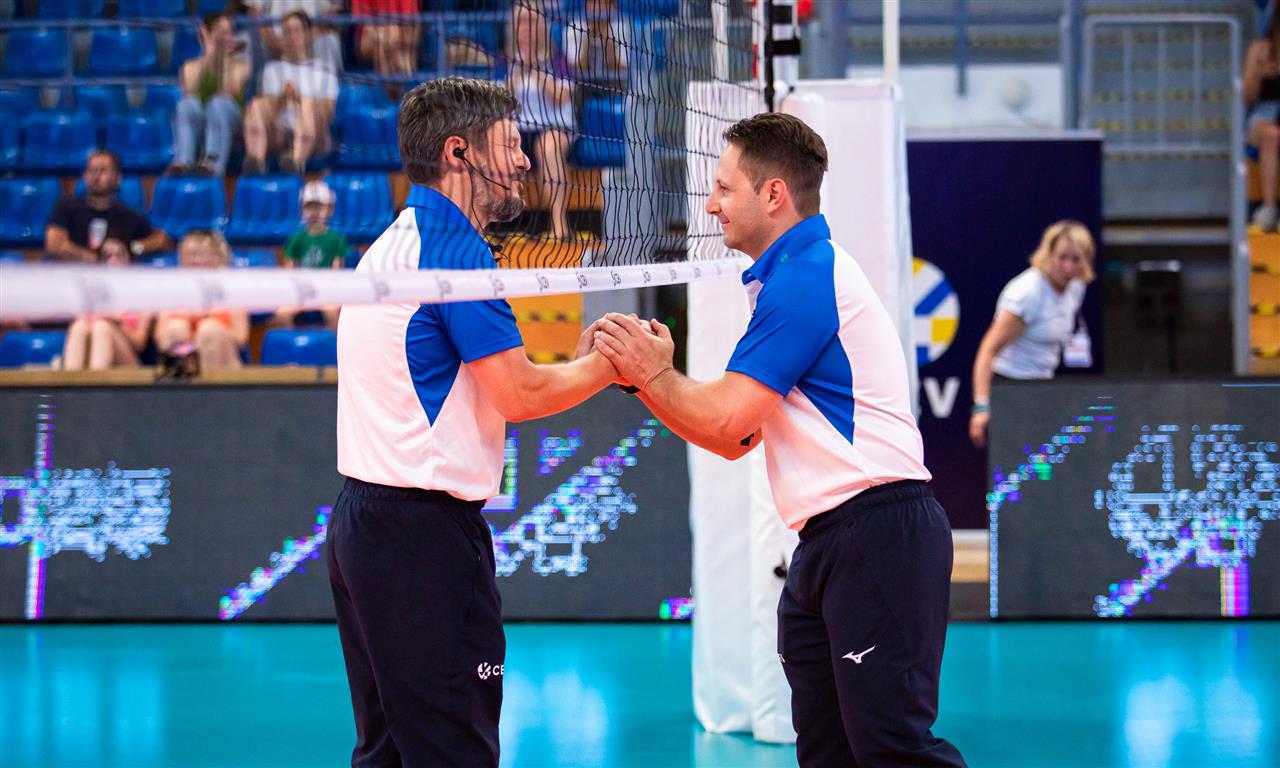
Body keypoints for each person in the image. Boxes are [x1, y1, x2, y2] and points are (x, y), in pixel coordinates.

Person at [592, 112, 968, 768]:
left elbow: (727, 420)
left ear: (773, 195)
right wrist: (646, 383)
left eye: (723, 188)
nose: (710, 205)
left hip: (876, 532)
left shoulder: (806, 277)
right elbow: (735, 439)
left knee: (894, 748)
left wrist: (652, 375)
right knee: (827, 751)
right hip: (831, 540)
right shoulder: (787, 278)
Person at [327, 76, 618, 767]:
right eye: (511, 144)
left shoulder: (399, 241)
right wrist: (613, 366)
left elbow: (482, 381)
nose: (524, 160)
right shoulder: (452, 252)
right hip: (420, 540)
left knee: (390, 752)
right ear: (459, 153)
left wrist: (579, 365)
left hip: (369, 528)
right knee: (453, 751)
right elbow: (519, 394)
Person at [969, 220, 1094, 449]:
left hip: (1042, 388)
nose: (1068, 267)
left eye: (1076, 259)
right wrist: (981, 406)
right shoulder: (1027, 294)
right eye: (1062, 258)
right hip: (1010, 389)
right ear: (1049, 255)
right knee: (1018, 463)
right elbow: (988, 350)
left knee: (1046, 462)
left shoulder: (1076, 287)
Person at [507, 2, 575, 240]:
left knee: (547, 146)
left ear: (542, 27)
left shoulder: (558, 59)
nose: (527, 28)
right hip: (517, 130)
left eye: (532, 22)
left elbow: (561, 98)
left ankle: (559, 226)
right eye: (522, 23)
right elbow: (496, 103)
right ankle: (499, 223)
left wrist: (534, 69)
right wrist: (518, 73)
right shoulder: (505, 60)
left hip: (554, 128)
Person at [243, 10, 339, 176]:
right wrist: (283, 98)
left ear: (308, 34)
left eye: (297, 30)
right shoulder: (271, 70)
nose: (292, 36)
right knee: (256, 105)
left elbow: (328, 112)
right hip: (279, 132)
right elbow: (269, 110)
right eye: (287, 31)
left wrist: (299, 100)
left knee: (307, 105)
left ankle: (296, 162)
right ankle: (256, 161)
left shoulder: (325, 71)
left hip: (316, 136)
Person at [45, 151, 170, 264]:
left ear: (118, 178)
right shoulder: (67, 206)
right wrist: (97, 260)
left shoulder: (128, 215)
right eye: (91, 170)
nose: (96, 176)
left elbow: (162, 241)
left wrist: (133, 248)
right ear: (85, 176)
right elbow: (54, 244)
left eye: (103, 170)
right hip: (70, 274)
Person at [153, 231, 249, 369]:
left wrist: (204, 329)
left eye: (202, 254)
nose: (195, 260)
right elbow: (160, 336)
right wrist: (190, 337)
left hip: (224, 360)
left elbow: (240, 338)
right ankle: (178, 380)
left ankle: (211, 382)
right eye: (190, 255)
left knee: (209, 329)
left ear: (218, 257)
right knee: (176, 328)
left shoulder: (230, 289)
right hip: (187, 359)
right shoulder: (172, 291)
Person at [171, 12, 251, 176]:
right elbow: (191, 92)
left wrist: (224, 59)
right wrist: (209, 55)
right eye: (221, 32)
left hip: (234, 121)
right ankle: (183, 161)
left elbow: (230, 91)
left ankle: (213, 164)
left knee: (217, 103)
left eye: (229, 32)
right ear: (207, 35)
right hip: (204, 119)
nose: (226, 37)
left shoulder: (241, 65)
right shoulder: (190, 66)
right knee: (185, 106)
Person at [272, 180, 348, 328]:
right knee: (282, 314)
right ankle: (290, 342)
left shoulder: (336, 238)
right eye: (310, 207)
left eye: (319, 207)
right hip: (303, 289)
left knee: (332, 312)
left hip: (327, 290)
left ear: (329, 209)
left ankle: (333, 341)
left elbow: (337, 270)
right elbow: (290, 269)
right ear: (302, 209)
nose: (315, 212)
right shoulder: (296, 238)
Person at [62, 247, 151, 371]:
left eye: (119, 255)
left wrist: (117, 322)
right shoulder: (90, 294)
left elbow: (139, 344)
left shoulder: (141, 296)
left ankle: (97, 382)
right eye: (108, 256)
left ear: (129, 260)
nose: (113, 260)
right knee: (79, 327)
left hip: (127, 360)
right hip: (89, 352)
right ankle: (70, 380)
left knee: (102, 327)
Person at [1246, 2, 1280, 230]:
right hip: (1264, 115)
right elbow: (1247, 97)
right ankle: (1269, 207)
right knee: (1271, 135)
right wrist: (1259, 74)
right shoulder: (1260, 49)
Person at [352, 0, 419, 78]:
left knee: (398, 52)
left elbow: (409, 26)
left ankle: (403, 80)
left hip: (400, 38)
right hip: (370, 39)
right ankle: (395, 82)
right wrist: (386, 38)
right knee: (382, 47)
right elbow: (365, 26)